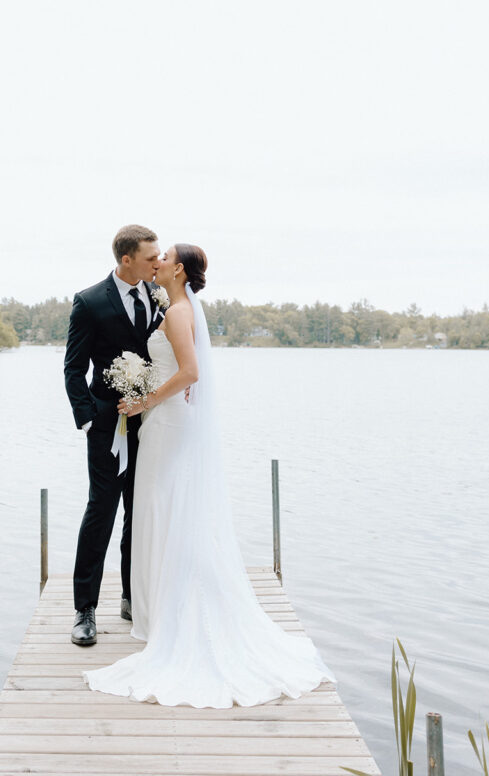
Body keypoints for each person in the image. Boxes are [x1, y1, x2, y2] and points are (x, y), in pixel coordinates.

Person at [83, 243, 335, 707]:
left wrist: (143, 401)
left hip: (166, 419)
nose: (156, 261)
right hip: (166, 421)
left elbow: (191, 372)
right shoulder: (174, 305)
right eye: (151, 255)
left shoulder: (177, 313)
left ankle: (173, 611)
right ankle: (161, 609)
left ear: (177, 269)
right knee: (164, 507)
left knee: (163, 505)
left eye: (164, 256)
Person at [64, 224, 165, 647]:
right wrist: (89, 418)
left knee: (139, 511)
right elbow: (73, 367)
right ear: (127, 259)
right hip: (107, 425)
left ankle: (130, 595)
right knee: (101, 510)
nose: (157, 263)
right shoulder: (89, 301)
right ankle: (84, 608)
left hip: (154, 422)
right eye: (150, 257)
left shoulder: (159, 297)